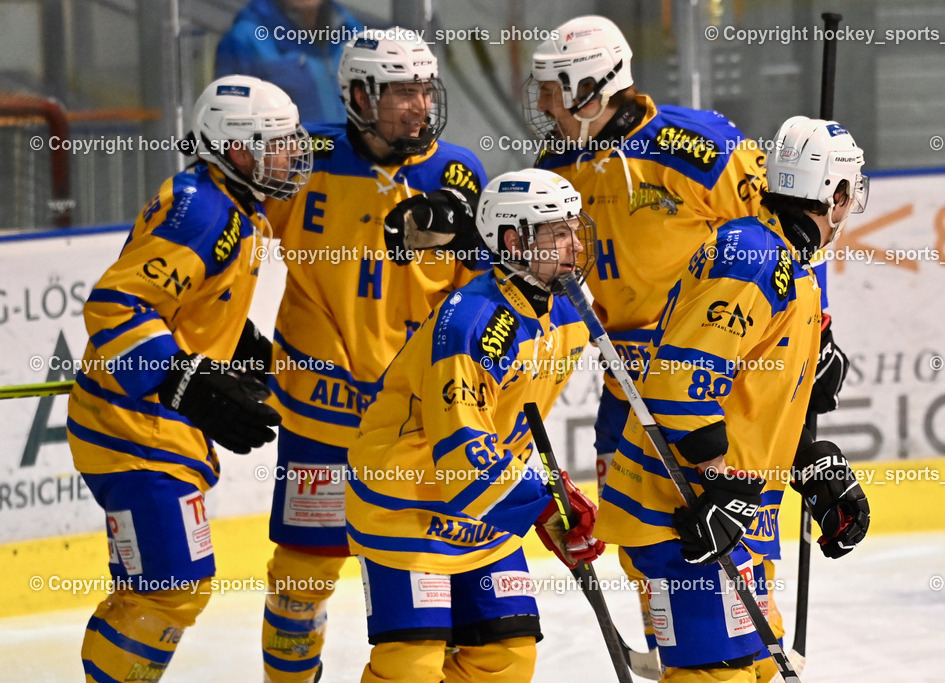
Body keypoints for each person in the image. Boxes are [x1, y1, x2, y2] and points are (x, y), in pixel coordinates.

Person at [593, 116, 872, 682]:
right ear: (837, 195)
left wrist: (806, 463)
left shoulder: (783, 261)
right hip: (685, 513)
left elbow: (750, 396)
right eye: (851, 189)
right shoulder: (754, 256)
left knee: (758, 669)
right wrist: (718, 485)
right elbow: (679, 382)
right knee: (718, 676)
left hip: (727, 512)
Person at [524, 13, 767, 654]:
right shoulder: (557, 164)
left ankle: (744, 659)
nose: (544, 102)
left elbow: (781, 243)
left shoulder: (698, 145)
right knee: (638, 541)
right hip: (622, 385)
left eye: (553, 88)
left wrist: (814, 334)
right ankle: (671, 653)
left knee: (722, 537)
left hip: (703, 388)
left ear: (591, 90)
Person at [258, 28, 488, 682]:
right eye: (400, 92)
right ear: (359, 95)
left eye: (425, 88)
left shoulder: (457, 174)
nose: (419, 105)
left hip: (414, 425)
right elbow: (236, 225)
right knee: (301, 578)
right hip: (318, 414)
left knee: (426, 577)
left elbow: (483, 297)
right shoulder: (306, 160)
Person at [66, 75, 311, 682]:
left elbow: (193, 300)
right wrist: (186, 382)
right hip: (132, 431)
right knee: (171, 588)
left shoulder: (233, 206)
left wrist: (245, 351)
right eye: (274, 142)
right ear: (234, 148)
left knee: (166, 587)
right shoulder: (205, 211)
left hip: (149, 429)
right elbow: (116, 306)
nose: (290, 155)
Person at [346, 168, 604, 683]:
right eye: (557, 233)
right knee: (410, 668)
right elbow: (464, 452)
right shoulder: (473, 322)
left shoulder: (570, 310)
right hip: (407, 500)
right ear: (514, 241)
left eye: (576, 228)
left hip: (480, 508)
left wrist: (551, 504)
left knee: (506, 660)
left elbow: (505, 430)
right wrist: (548, 499)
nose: (575, 244)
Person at [216, 0, 364, 122]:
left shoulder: (352, 29)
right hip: (291, 156)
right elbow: (229, 128)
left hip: (351, 155)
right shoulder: (244, 40)